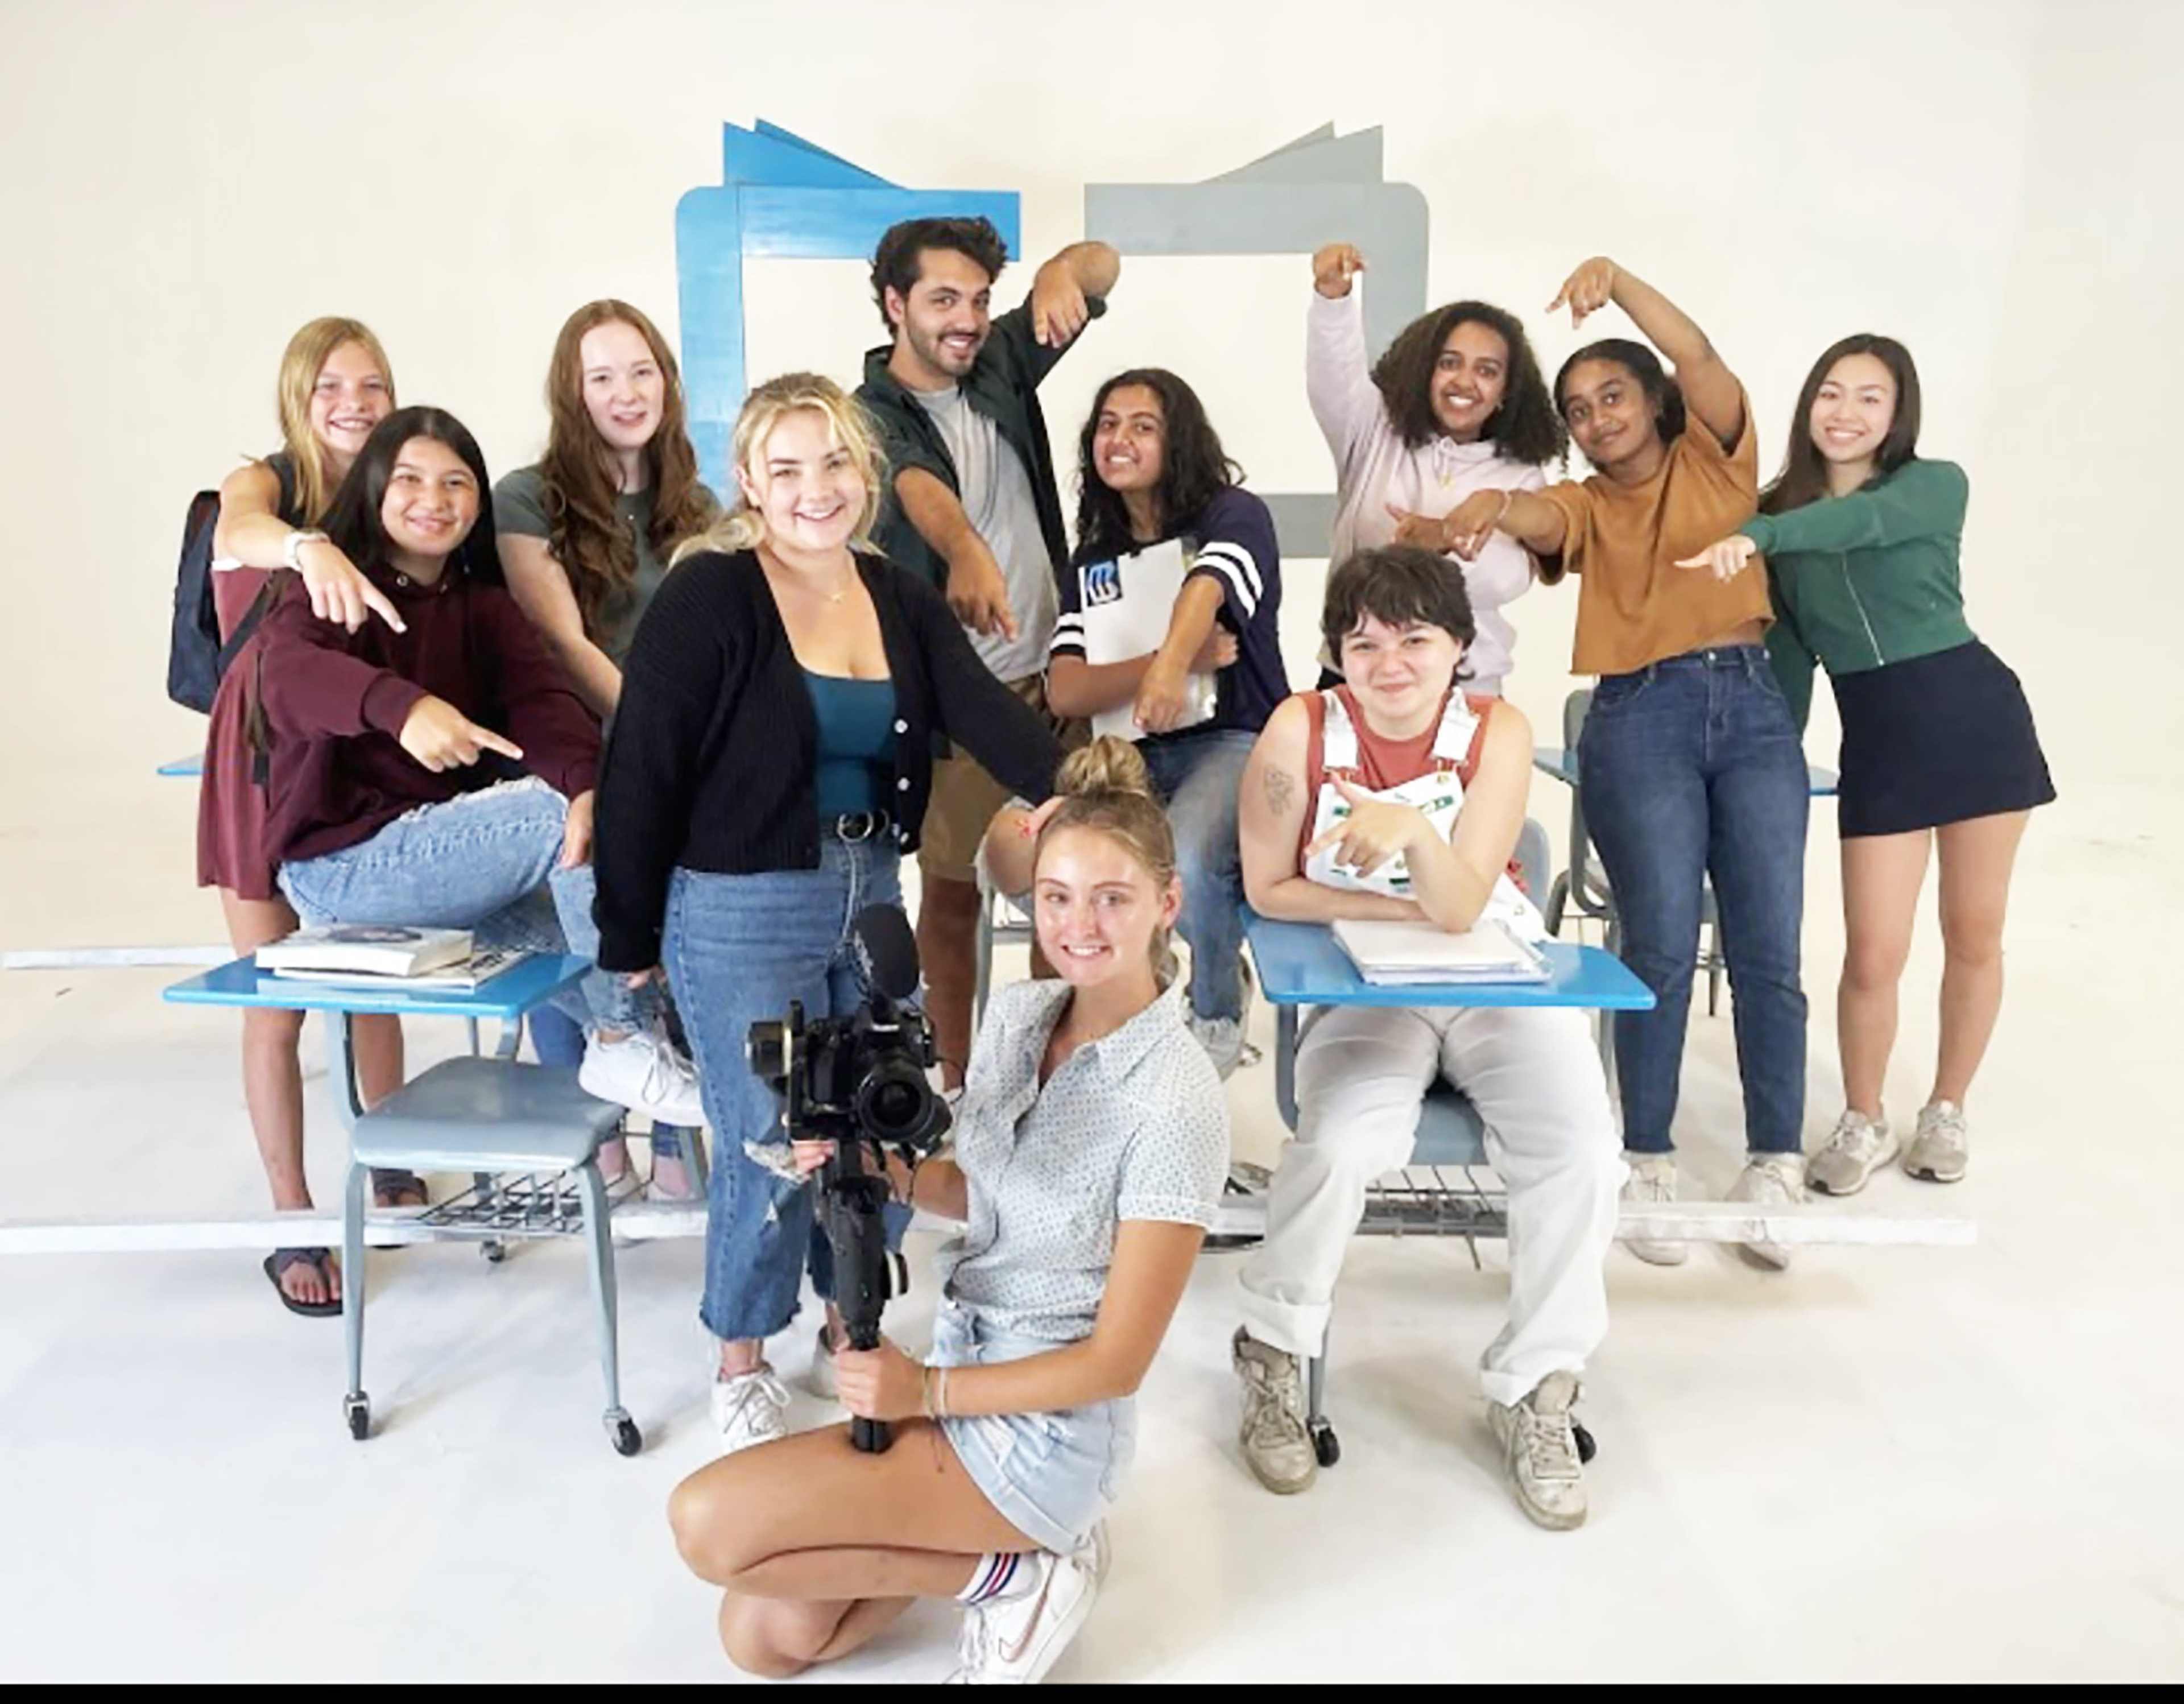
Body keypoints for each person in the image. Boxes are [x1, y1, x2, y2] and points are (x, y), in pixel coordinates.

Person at [664, 737, 1228, 1684]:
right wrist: (878, 1169)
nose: (1079, 925)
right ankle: (997, 1572)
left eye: (1112, 898)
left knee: (706, 1526)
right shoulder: (1020, 1018)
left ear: (1166, 905)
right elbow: (981, 1190)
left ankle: (1014, 1570)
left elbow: (1117, 1360)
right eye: (1057, 897)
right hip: (963, 1368)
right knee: (765, 1639)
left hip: (1043, 1424)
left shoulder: (1176, 1099)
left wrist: (922, 1394)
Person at [592, 374, 1063, 1453]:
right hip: (742, 906)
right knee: (771, 1141)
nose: (817, 489)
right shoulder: (711, 595)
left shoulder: (895, 594)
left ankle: (855, 1320)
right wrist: (629, 941)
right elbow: (642, 773)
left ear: (865, 472)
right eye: (788, 468)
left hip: (869, 892)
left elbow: (982, 707)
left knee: (888, 1115)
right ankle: (740, 1355)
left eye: (836, 463)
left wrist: (1078, 791)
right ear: (751, 481)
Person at [1225, 545, 1622, 1527]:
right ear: (1336, 655)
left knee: (1582, 1152)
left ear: (1459, 648)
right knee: (1348, 1144)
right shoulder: (1299, 728)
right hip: (1366, 986)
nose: (1389, 663)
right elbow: (1268, 887)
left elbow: (1461, 908)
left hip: (1497, 985)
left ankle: (1539, 1387)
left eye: (1415, 639)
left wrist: (1409, 833)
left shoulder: (1498, 730)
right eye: (1362, 643)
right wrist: (1409, 898)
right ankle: (1274, 1347)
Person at [1440, 257, 1809, 1269]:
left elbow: (1700, 355)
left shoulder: (1718, 464)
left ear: (1656, 403)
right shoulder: (1587, 504)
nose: (1597, 417)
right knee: (1653, 946)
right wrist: (1486, 510)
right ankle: (1645, 1152)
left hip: (1752, 711)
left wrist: (1622, 283)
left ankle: (1774, 1157)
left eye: (1613, 396)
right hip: (1636, 717)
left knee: (1768, 949)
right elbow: (1539, 517)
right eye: (1577, 407)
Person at [250, 407, 698, 1141]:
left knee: (595, 876)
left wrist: (588, 783)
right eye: (411, 480)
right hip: (341, 869)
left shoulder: (482, 607)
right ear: (372, 489)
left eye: (456, 483)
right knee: (555, 817)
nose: (435, 500)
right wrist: (401, 708)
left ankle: (670, 1058)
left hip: (447, 873)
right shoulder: (331, 589)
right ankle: (619, 1045)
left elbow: (546, 704)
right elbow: (286, 682)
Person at [1678, 335, 2052, 1192]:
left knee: (1974, 930)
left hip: (1977, 720)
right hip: (1879, 739)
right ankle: (1863, 1117)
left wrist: (1762, 530)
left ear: (1898, 414)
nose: (1846, 413)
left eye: (1870, 398)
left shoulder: (1930, 486)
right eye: (1831, 394)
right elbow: (1791, 664)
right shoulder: (1775, 520)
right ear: (1809, 405)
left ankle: (1947, 1109)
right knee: (1873, 952)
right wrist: (1761, 771)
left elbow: (1862, 523)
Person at [855, 216, 1121, 1088]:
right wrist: (965, 549)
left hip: (1061, 681)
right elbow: (913, 483)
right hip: (962, 697)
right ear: (895, 305)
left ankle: (1057, 1078)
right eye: (942, 300)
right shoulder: (869, 412)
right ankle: (960, 1083)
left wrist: (1063, 269)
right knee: (950, 889)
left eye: (978, 299)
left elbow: (1104, 264)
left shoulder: (1001, 356)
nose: (964, 319)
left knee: (1071, 883)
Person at [195, 316, 415, 1316]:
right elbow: (233, 532)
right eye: (332, 386)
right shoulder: (267, 483)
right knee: (274, 1000)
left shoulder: (395, 487)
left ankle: (398, 1156)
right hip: (261, 762)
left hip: (359, 759)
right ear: (299, 393)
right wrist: (306, 545)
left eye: (370, 386)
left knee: (376, 977)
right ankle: (292, 1214)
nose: (354, 404)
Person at [496, 299, 719, 1200]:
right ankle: (588, 1143)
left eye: (641, 371)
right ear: (572, 392)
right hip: (574, 747)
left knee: (680, 935)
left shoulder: (694, 504)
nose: (626, 393)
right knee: (572, 929)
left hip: (673, 751)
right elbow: (559, 644)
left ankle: (675, 1141)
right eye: (602, 376)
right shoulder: (525, 495)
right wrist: (654, 738)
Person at [1042, 367, 1287, 1075]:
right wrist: (1163, 662)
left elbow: (1208, 584)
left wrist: (1173, 667)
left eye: (1142, 425)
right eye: (1108, 425)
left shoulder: (1234, 513)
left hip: (1234, 738)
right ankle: (1126, 1019)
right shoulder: (1093, 558)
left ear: (1178, 440)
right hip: (1132, 751)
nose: (1119, 439)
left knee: (1191, 854)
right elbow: (1066, 689)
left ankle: (1215, 1006)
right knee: (1081, 862)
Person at [1305, 242, 1565, 696]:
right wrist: (1333, 298)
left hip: (1467, 690)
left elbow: (1504, 580)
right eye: (1449, 364)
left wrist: (1439, 538)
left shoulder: (1520, 476)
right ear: (1426, 370)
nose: (1464, 382)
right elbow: (1334, 377)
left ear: (1506, 391)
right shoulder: (1374, 429)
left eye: (1487, 371)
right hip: (1353, 678)